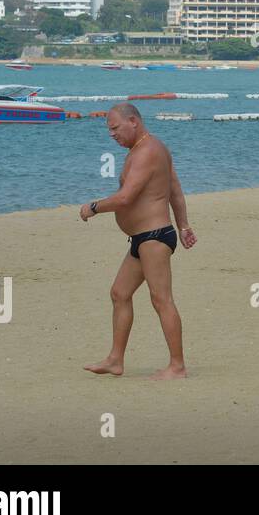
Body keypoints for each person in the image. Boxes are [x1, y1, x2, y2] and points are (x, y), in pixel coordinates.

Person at [80, 103, 196, 380]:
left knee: (161, 300)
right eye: (109, 130)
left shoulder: (148, 150)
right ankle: (115, 360)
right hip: (143, 238)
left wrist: (93, 207)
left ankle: (177, 366)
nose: (112, 135)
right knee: (120, 293)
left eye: (115, 128)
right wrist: (184, 226)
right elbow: (175, 192)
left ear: (133, 121)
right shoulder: (146, 149)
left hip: (154, 237)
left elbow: (125, 198)